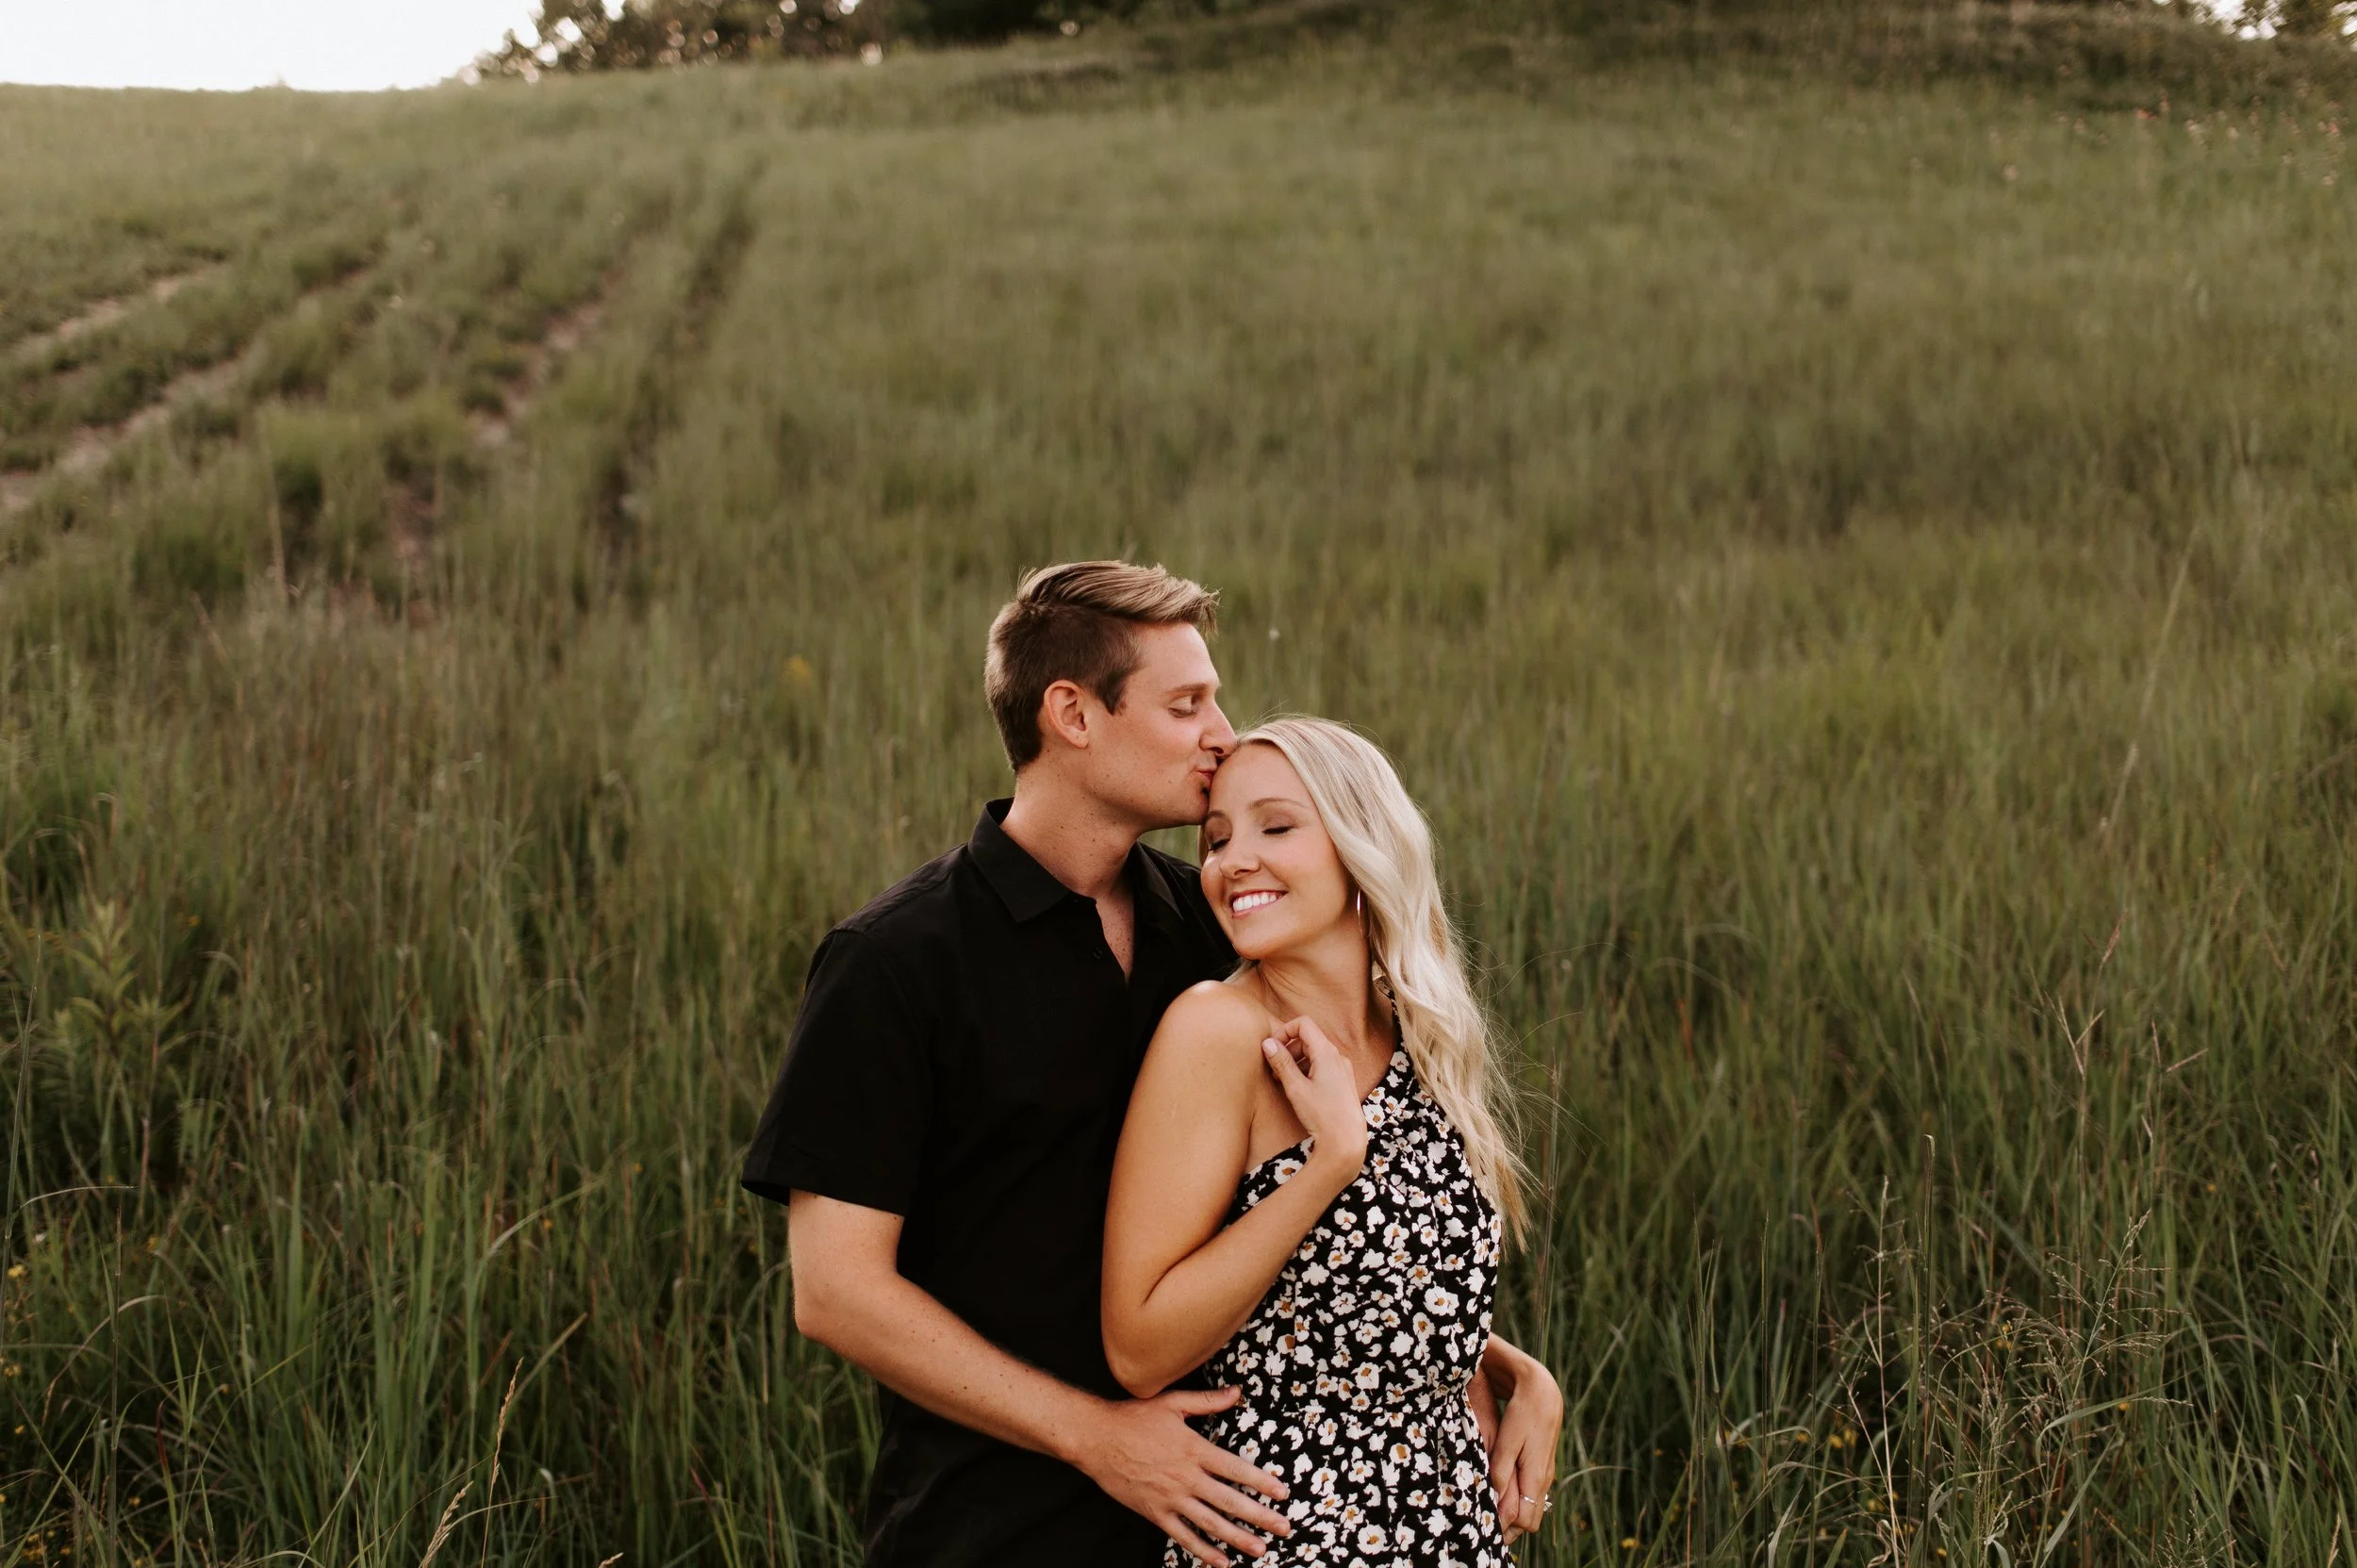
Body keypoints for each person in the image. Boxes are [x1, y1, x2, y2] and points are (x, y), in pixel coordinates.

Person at [741, 561, 1559, 1567]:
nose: (1221, 732)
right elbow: (835, 1291)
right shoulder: (898, 960)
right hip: (995, 1527)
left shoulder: (1212, 927)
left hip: (1228, 1516)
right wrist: (1096, 1437)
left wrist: (1494, 1364)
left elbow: (1308, 1234)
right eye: (1187, 704)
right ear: (1074, 715)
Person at [1102, 718, 1560, 1568]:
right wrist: (1326, 1169)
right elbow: (1138, 1348)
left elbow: (1398, 1291)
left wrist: (1522, 1375)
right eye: (1217, 839)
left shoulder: (1421, 1032)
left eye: (1276, 826)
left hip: (1450, 1533)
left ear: (1361, 846)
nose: (1233, 860)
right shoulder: (1217, 1032)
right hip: (1293, 1535)